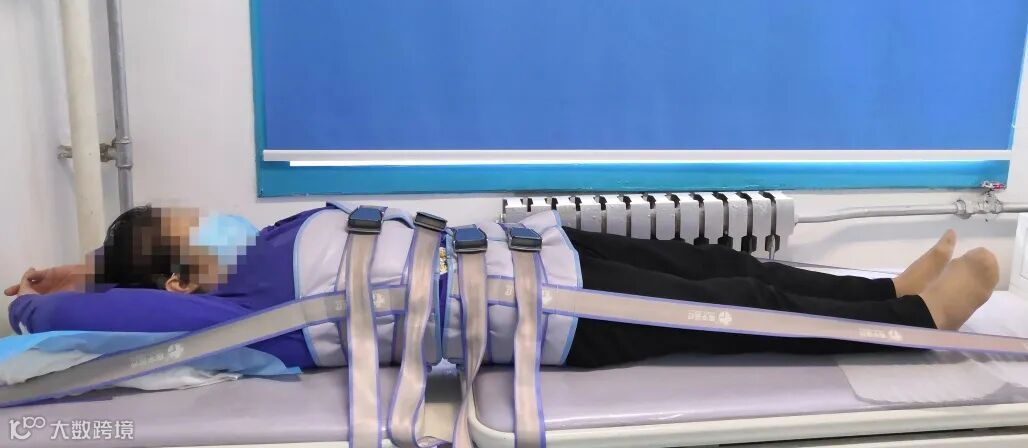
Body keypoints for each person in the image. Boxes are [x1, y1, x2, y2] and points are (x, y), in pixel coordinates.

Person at [4, 204, 1000, 369]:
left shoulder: (260, 244)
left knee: (721, 265)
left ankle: (882, 287)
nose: (216, 220)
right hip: (543, 313)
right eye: (195, 231)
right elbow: (110, 317)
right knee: (742, 313)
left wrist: (86, 256)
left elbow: (122, 276)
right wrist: (33, 302)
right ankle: (914, 320)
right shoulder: (238, 316)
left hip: (536, 251)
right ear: (184, 279)